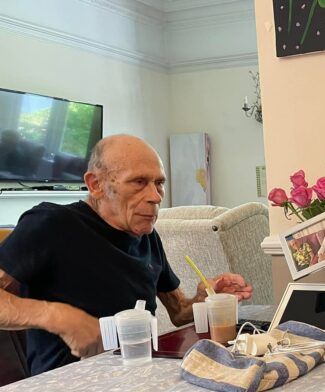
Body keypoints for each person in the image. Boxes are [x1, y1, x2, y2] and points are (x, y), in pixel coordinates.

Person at [0, 133, 252, 376]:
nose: (155, 196)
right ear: (95, 184)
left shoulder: (147, 236)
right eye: (139, 182)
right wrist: (59, 317)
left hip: (138, 378)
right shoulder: (51, 224)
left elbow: (178, 312)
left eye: (159, 183)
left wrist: (204, 298)